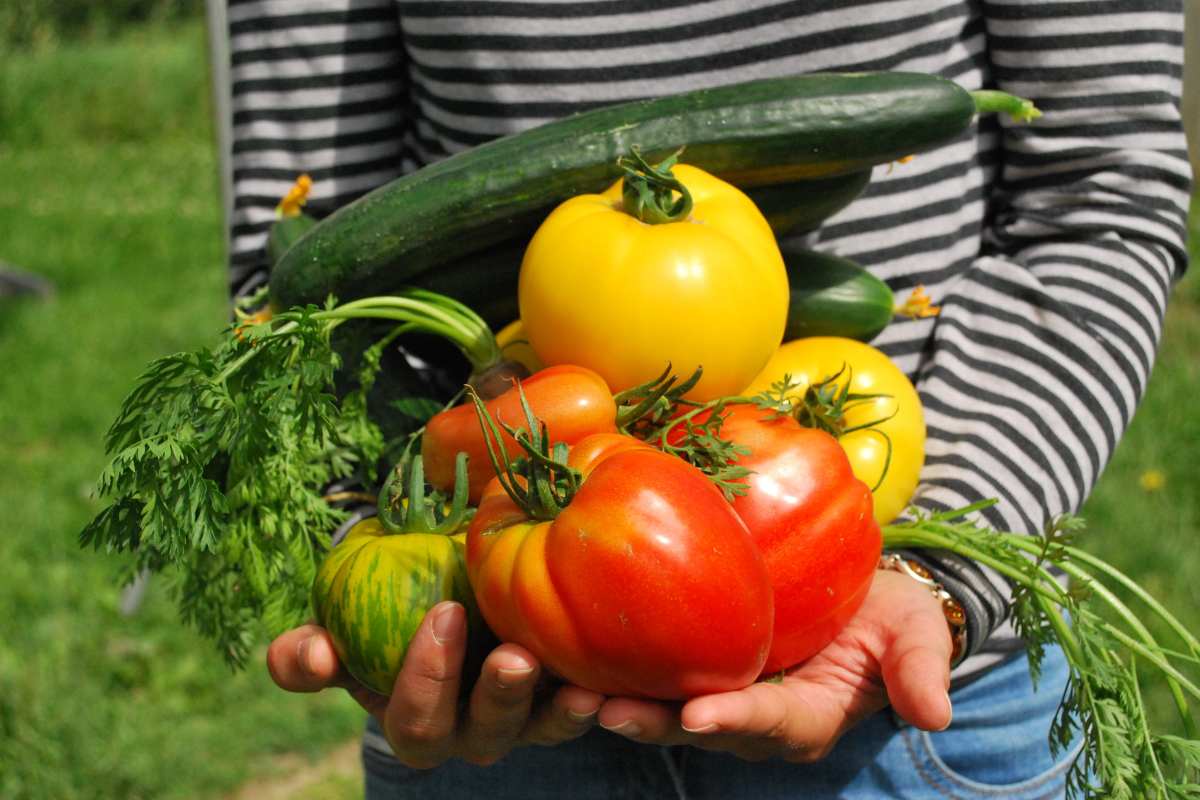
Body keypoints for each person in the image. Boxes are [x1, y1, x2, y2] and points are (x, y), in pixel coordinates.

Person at [226, 1, 1192, 797]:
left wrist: (936, 572)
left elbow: (1100, 200)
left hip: (913, 695)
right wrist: (379, 562)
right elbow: (298, 276)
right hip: (490, 655)